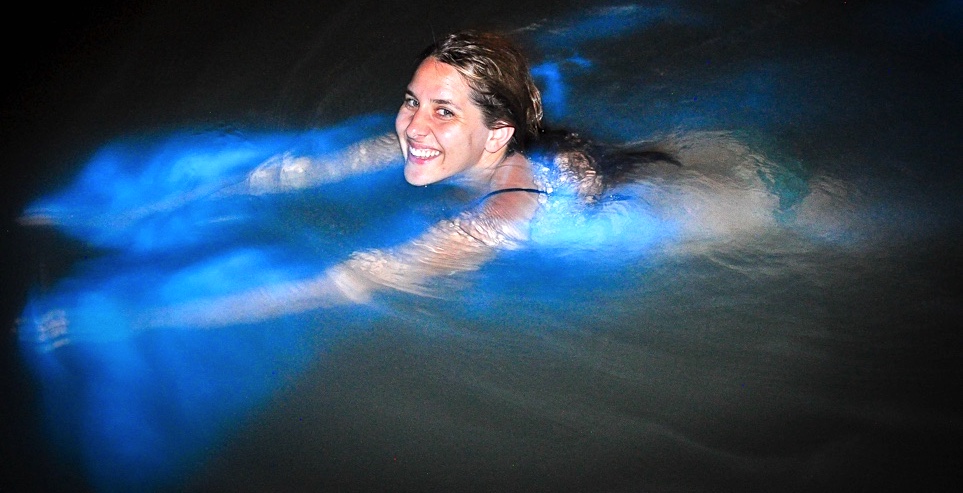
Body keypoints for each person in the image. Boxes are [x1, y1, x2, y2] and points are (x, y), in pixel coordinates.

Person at [143, 29, 683, 329]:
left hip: (692, 211)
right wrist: (147, 209)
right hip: (624, 163)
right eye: (411, 101)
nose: (412, 126)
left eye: (443, 111)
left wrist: (148, 318)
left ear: (496, 134)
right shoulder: (436, 142)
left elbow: (340, 284)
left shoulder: (499, 215)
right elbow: (300, 172)